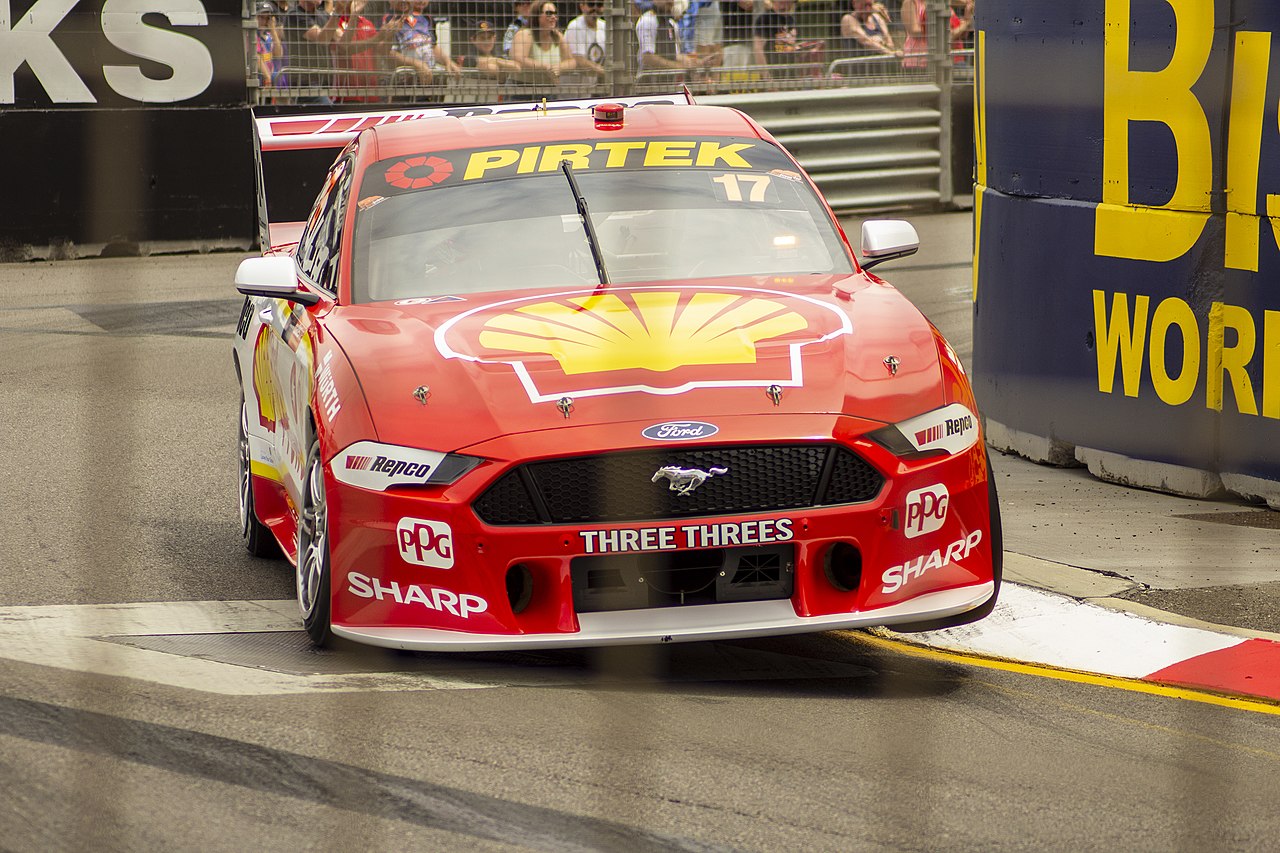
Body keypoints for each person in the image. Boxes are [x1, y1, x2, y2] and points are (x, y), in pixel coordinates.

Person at [330, 0, 401, 102]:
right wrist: (354, 16)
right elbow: (343, 48)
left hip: (370, 91)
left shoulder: (367, 23)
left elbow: (382, 51)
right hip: (346, 94)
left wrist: (389, 35)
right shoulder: (334, 22)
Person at [384, 0, 461, 85]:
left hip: (430, 81)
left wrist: (448, 61)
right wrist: (416, 64)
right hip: (405, 84)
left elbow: (432, 46)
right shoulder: (388, 19)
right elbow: (387, 53)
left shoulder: (426, 18)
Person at [280, 0, 341, 103]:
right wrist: (337, 13)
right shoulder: (294, 15)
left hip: (324, 82)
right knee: (330, 110)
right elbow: (322, 38)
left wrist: (354, 15)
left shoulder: (323, 15)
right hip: (305, 85)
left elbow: (342, 39)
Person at [510, 1, 578, 84]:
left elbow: (572, 61)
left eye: (555, 13)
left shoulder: (557, 36)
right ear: (536, 16)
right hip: (522, 88)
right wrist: (546, 67)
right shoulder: (525, 34)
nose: (553, 17)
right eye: (549, 13)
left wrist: (559, 67)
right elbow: (519, 59)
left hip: (549, 89)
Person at [752, 0, 820, 77]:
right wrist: (767, 78)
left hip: (790, 74)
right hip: (773, 73)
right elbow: (758, 49)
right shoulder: (765, 19)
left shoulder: (790, 19)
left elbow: (791, 46)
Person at [635, 0, 706, 73]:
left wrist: (697, 62)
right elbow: (648, 58)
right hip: (649, 81)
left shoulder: (672, 24)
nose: (670, 2)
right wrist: (678, 67)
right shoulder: (647, 21)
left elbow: (674, 55)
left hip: (668, 81)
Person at [255, 1, 287, 96]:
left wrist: (273, 30)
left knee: (281, 78)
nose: (264, 21)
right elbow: (257, 57)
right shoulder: (251, 36)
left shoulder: (268, 36)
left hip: (271, 74)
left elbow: (278, 54)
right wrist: (268, 76)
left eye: (267, 18)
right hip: (259, 75)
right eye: (261, 17)